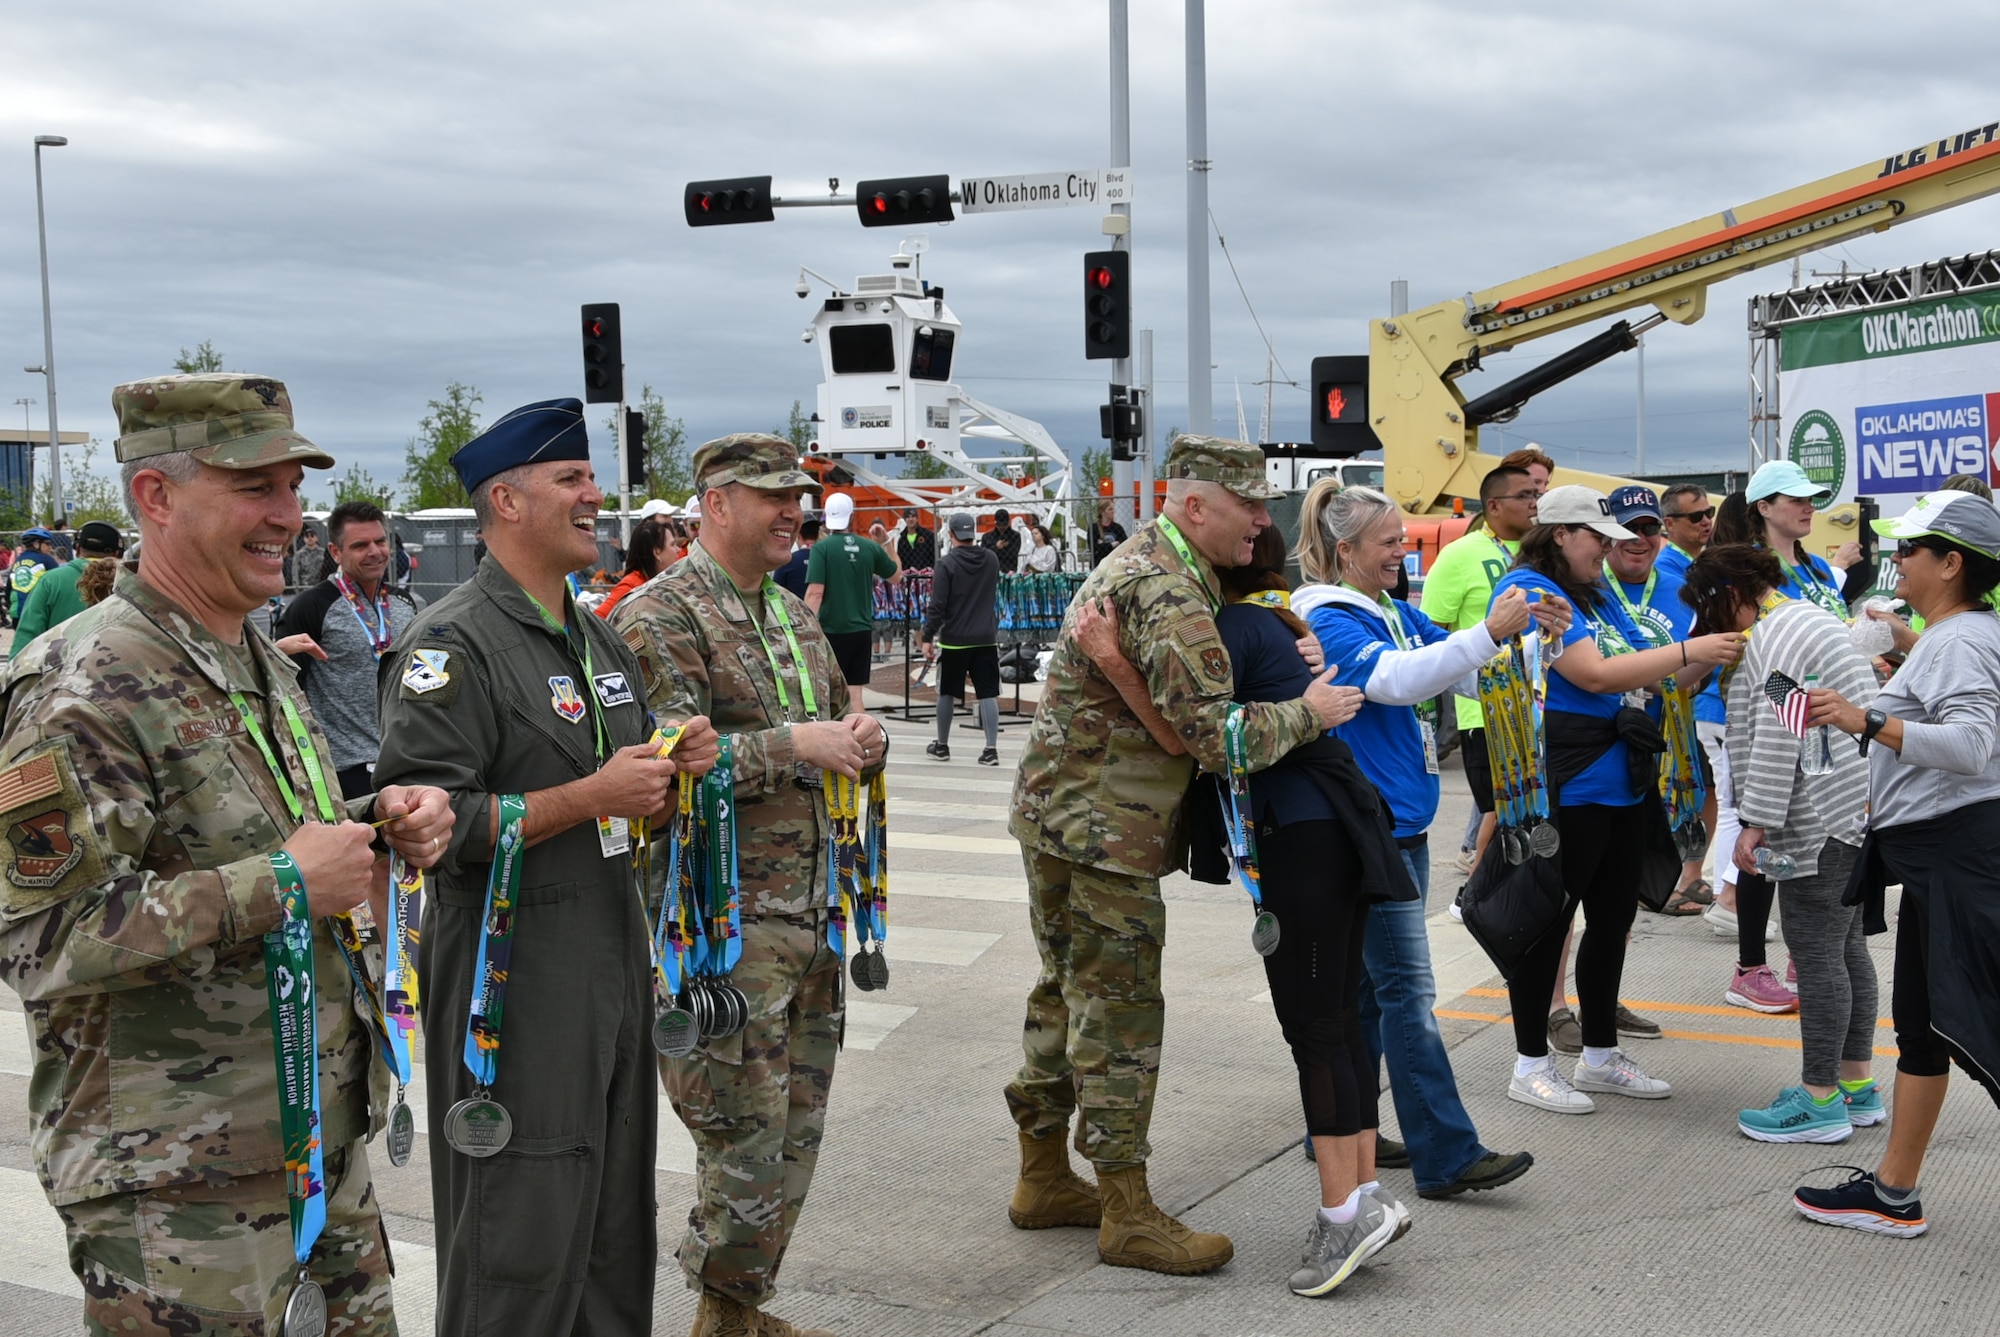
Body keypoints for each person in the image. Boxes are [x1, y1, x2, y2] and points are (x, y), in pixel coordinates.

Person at [0, 372, 454, 1334]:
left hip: (308, 1135)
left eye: (293, 487)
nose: (289, 515)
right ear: (154, 497)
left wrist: (376, 820)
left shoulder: (245, 651)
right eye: (255, 486)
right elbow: (38, 937)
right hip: (177, 1182)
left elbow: (253, 827)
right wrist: (286, 882)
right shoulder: (84, 686)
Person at [372, 397, 718, 1335]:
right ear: (507, 501)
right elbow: (433, 823)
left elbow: (615, 780)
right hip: (513, 977)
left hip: (610, 954)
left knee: (611, 1224)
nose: (594, 496)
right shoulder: (451, 644)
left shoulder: (594, 634)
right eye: (571, 479)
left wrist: (671, 763)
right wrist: (593, 797)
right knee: (518, 1235)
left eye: (591, 478)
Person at [1006, 435, 1355, 1277]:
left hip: (1060, 815)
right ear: (1196, 506)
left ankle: (1043, 1175)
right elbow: (1218, 739)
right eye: (1247, 507)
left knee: (1064, 995)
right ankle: (1125, 1208)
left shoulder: (1151, 564)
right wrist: (1309, 709)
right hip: (1104, 832)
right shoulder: (1168, 592)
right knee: (1119, 1012)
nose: (1260, 523)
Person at [611, 433, 886, 1337]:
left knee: (798, 1128)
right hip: (722, 927)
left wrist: (859, 732)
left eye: (796, 495)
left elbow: (836, 708)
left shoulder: (789, 614)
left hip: (811, 909)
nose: (791, 511)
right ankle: (722, 1314)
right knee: (742, 1133)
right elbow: (667, 761)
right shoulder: (661, 616)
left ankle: (740, 1305)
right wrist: (799, 744)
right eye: (771, 496)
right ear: (714, 504)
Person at [1073, 524, 1388, 1294]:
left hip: (1304, 839)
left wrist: (1113, 660)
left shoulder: (1235, 629)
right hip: (1334, 831)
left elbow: (1194, 739)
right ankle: (1366, 1197)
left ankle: (1344, 1216)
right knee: (1339, 1022)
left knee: (1314, 1029)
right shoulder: (1276, 625)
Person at [1291, 483, 1546, 1205]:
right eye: (1390, 543)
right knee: (1405, 991)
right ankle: (1445, 1148)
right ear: (1347, 552)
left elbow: (1460, 665)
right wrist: (1491, 632)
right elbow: (1397, 682)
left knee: (1369, 992)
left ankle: (1340, 1123)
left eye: (1404, 540)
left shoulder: (1391, 610)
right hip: (1369, 833)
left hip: (1393, 826)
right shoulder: (1332, 618)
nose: (1404, 553)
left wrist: (1531, 636)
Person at [1490, 485, 1742, 1114]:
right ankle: (1531, 1063)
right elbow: (1595, 675)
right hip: (1569, 779)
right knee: (1550, 920)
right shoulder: (1530, 591)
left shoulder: (1594, 594)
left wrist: (1713, 649)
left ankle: (1600, 1056)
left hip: (1622, 778)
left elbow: (1649, 672)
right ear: (1558, 536)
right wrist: (1692, 649)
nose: (1609, 547)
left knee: (1612, 919)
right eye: (1596, 537)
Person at [1792, 489, 2000, 1234]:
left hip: (1959, 857)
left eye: (1911, 548)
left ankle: (1894, 1190)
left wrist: (1864, 717)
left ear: (1950, 564)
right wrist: (1910, 651)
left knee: (1970, 1020)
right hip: (1943, 858)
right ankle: (1894, 1190)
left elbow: (1973, 746)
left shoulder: (1962, 641)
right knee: (1924, 1023)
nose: (1897, 558)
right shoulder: (1958, 633)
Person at [1680, 543, 1879, 1143]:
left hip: (1817, 817)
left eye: (1708, 609)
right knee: (1846, 951)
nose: (1710, 626)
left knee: (1816, 954)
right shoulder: (1806, 615)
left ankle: (1819, 1100)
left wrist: (1756, 821)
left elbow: (1776, 734)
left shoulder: (1775, 638)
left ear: (1729, 593)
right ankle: (1855, 1085)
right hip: (1851, 808)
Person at [1418, 464, 1538, 919]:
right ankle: (1472, 896)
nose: (1534, 502)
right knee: (1497, 807)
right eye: (1524, 495)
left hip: (1541, 708)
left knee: (1530, 807)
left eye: (1537, 493)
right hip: (1482, 710)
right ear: (1493, 506)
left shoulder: (1543, 553)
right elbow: (1431, 637)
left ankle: (1505, 895)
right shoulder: (1459, 555)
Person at [1603, 486, 1710, 917]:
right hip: (1600, 744)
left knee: (1626, 890)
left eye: (1648, 527)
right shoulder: (1588, 586)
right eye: (1627, 527)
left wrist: (1711, 656)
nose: (1638, 538)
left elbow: (1689, 681)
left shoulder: (1685, 590)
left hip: (1662, 741)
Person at [274, 500, 424, 801]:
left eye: (380, 541)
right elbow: (284, 692)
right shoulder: (311, 607)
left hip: (405, 760)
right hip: (343, 768)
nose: (374, 552)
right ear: (335, 552)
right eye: (360, 545)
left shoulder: (405, 603)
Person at [921, 511, 1003, 765]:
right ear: (974, 533)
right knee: (988, 693)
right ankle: (990, 749)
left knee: (947, 692)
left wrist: (927, 636)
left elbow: (938, 604)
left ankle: (942, 745)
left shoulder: (946, 564)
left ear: (951, 534)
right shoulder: (991, 559)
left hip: (955, 638)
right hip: (986, 636)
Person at [805, 492, 901, 697]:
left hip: (831, 630)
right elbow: (896, 577)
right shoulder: (870, 547)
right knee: (854, 694)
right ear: (852, 516)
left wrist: (804, 628)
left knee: (829, 693)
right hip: (861, 630)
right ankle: (859, 729)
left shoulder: (822, 548)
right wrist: (887, 543)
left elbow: (815, 593)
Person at [9, 519, 124, 655]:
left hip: (58, 670)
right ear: (117, 553)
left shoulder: (50, 580)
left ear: (78, 548)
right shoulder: (128, 580)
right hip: (116, 670)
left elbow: (27, 634)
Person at [594, 513, 674, 618]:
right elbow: (597, 620)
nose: (678, 550)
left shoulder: (659, 581)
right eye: (673, 545)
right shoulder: (631, 586)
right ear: (657, 552)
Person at [8, 526, 61, 624]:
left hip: (17, 614)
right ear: (36, 544)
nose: (50, 547)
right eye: (48, 544)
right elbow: (59, 583)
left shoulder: (17, 561)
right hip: (38, 614)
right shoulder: (46, 560)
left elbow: (8, 588)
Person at [774, 516, 820, 597]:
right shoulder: (827, 561)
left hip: (794, 608)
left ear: (798, 536)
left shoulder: (787, 561)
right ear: (817, 536)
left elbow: (775, 590)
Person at [983, 506, 1022, 573]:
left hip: (1009, 570)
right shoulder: (987, 537)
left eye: (1004, 525)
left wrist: (994, 550)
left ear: (1008, 522)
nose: (1002, 527)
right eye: (999, 525)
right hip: (992, 570)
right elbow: (984, 554)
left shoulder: (1015, 536)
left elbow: (1013, 554)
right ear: (996, 523)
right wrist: (997, 547)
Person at [896, 506, 936, 571]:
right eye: (908, 517)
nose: (911, 519)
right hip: (909, 575)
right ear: (905, 519)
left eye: (913, 516)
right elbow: (900, 560)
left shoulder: (928, 535)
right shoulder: (902, 540)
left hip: (926, 575)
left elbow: (934, 555)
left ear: (917, 518)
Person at [1091, 498, 1129, 568]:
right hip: (1098, 564)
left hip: (1115, 563)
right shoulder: (1094, 528)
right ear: (1102, 512)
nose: (1113, 511)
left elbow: (1124, 544)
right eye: (1110, 509)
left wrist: (1103, 544)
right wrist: (1112, 545)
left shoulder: (1117, 528)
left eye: (1113, 509)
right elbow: (1093, 547)